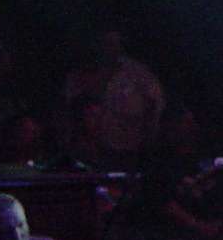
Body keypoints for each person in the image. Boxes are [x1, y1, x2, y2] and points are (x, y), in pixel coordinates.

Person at [61, 27, 165, 169]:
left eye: (114, 43)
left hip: (130, 151)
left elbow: (155, 105)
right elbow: (68, 109)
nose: (109, 48)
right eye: (105, 43)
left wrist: (148, 139)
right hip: (88, 153)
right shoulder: (81, 74)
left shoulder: (139, 75)